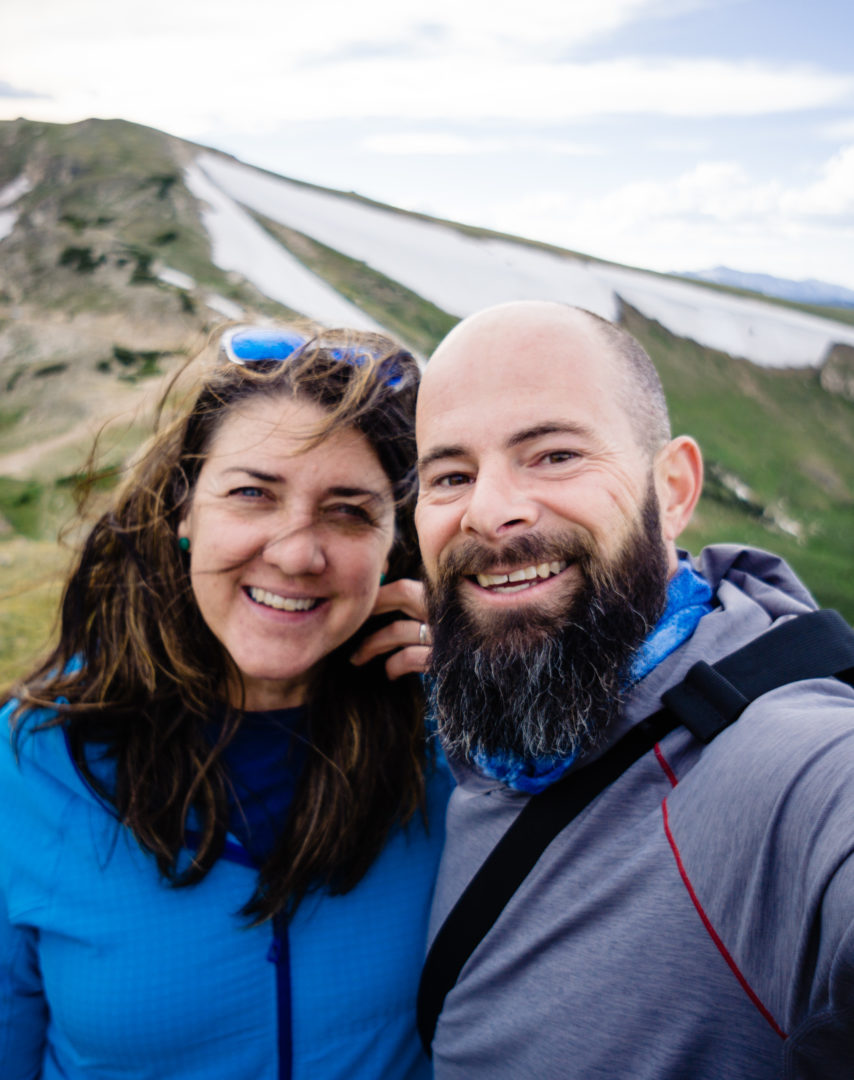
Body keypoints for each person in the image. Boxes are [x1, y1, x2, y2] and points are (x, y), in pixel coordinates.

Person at [413, 300, 854, 1079]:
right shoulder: (477, 713)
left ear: (674, 490)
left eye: (553, 455)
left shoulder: (774, 763)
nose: (488, 510)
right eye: (451, 475)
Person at [0, 324, 450, 1080]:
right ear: (185, 511)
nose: (296, 552)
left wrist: (507, 692)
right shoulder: (27, 766)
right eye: (252, 494)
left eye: (349, 511)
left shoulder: (456, 748)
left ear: (393, 543)